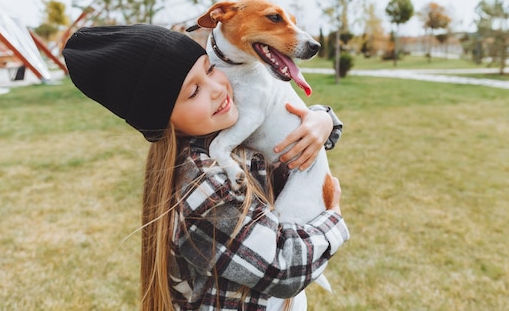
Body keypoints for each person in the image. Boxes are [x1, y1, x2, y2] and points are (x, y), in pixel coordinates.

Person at [63, 24, 349, 311]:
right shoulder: (202, 184)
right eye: (194, 91)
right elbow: (283, 268)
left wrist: (323, 120)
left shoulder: (224, 137)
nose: (216, 89)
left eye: (210, 69)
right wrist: (333, 219)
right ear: (165, 121)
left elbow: (282, 123)